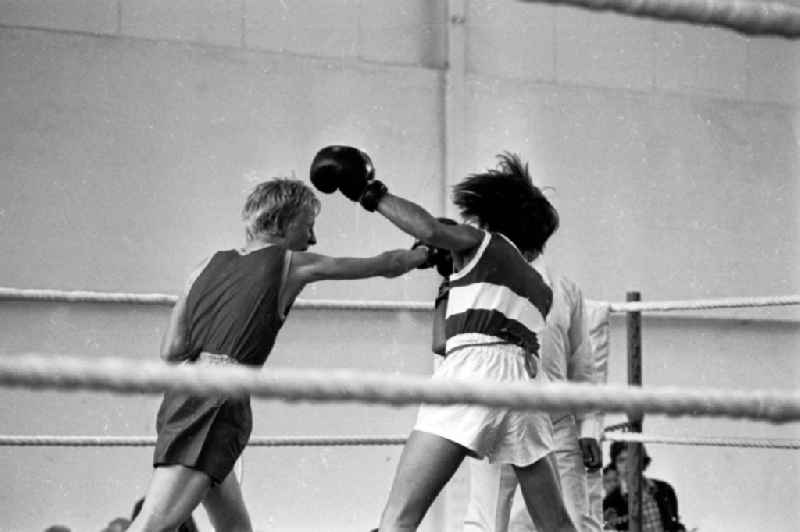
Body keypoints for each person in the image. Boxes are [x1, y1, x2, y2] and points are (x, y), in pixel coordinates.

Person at [127, 177, 429, 532]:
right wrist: (425, 253)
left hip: (183, 397)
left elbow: (172, 351)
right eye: (308, 226)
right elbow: (385, 263)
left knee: (236, 529)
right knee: (152, 525)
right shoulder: (289, 263)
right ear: (285, 222)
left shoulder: (203, 266)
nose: (313, 238)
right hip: (216, 404)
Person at [309, 146, 575, 532]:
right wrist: (449, 281)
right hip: (524, 389)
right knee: (557, 526)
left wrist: (370, 192)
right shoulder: (541, 288)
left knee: (399, 519)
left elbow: (430, 230)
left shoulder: (484, 241)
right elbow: (442, 341)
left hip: (471, 373)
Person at [462, 260, 603, 532]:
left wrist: (589, 427)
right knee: (487, 521)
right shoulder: (481, 282)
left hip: (556, 421)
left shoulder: (565, 288)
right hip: (496, 419)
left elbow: (582, 363)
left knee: (576, 520)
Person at [602, 442, 686, 531]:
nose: (627, 465)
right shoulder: (609, 503)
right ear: (615, 465)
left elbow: (674, 524)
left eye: (631, 459)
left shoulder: (665, 489)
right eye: (621, 460)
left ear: (642, 461)